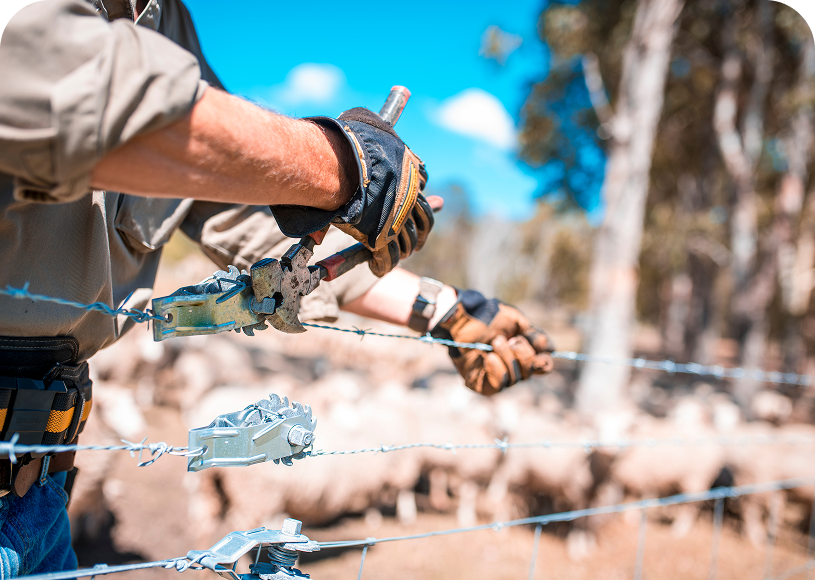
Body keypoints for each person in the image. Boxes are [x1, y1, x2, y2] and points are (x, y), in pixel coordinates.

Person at [0, 0, 554, 576]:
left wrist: (443, 310)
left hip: (41, 486)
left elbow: (237, 214)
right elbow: (71, 97)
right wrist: (344, 166)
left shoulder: (164, 21)